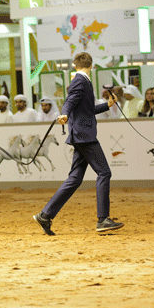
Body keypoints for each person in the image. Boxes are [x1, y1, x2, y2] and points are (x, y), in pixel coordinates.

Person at [33, 52, 123, 235]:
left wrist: (107, 105)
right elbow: (70, 101)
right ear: (92, 65)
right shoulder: (81, 81)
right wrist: (64, 113)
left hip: (81, 134)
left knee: (75, 179)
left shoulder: (82, 81)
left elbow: (87, 110)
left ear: (75, 65)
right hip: (85, 136)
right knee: (104, 172)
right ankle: (103, 219)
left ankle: (45, 215)